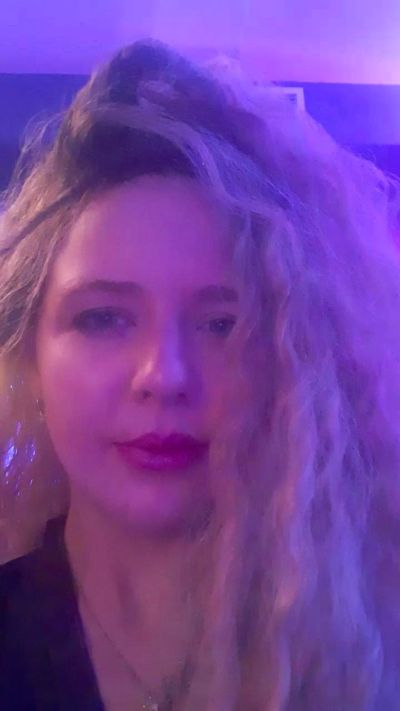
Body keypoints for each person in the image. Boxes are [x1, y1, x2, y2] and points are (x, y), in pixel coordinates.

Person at [1, 38, 400, 711]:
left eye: (222, 323)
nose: (164, 375)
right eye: (104, 318)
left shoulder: (377, 645)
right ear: (30, 357)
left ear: (299, 361)